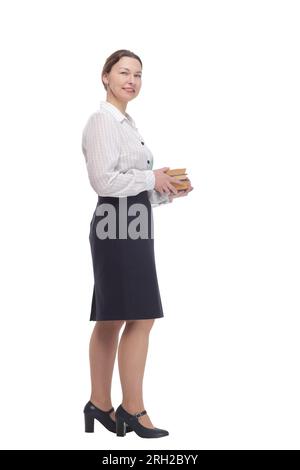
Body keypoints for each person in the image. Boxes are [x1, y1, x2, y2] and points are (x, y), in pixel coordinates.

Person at [81, 49, 193, 438]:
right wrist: (151, 179)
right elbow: (104, 182)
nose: (132, 80)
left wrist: (165, 190)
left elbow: (132, 183)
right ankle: (133, 409)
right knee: (140, 315)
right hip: (116, 228)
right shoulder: (101, 122)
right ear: (106, 77)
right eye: (124, 72)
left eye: (138, 74)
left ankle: (99, 403)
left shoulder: (127, 124)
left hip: (133, 224)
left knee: (113, 316)